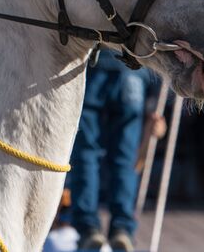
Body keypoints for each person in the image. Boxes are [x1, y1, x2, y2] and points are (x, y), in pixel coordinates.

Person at [61, 49, 166, 252]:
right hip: (132, 69)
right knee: (124, 157)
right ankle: (122, 228)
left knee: (86, 152)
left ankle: (88, 226)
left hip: (95, 66)